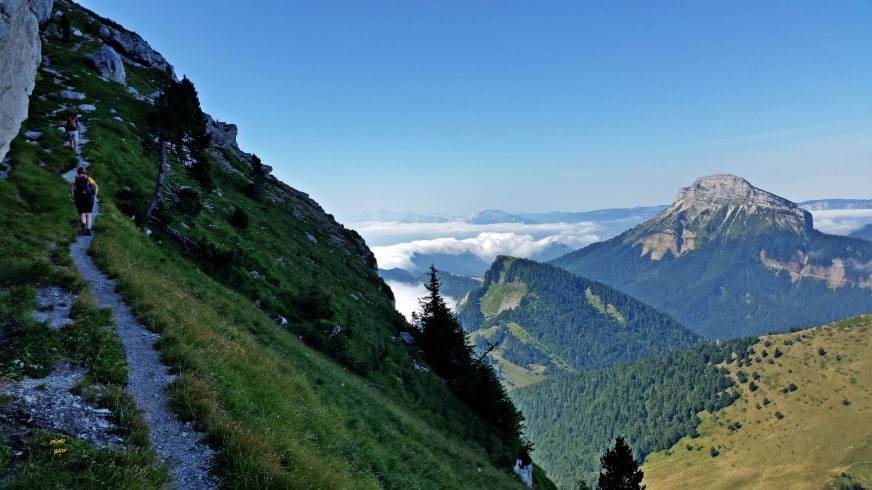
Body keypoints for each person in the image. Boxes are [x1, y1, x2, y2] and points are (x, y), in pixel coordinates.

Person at [69, 166, 98, 235]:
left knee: (82, 213)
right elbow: (96, 187)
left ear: (78, 172)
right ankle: (88, 230)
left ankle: (83, 224)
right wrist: (94, 196)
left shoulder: (75, 179)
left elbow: (71, 187)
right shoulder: (89, 178)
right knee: (88, 214)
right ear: (85, 172)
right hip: (89, 198)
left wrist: (73, 196)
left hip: (79, 198)